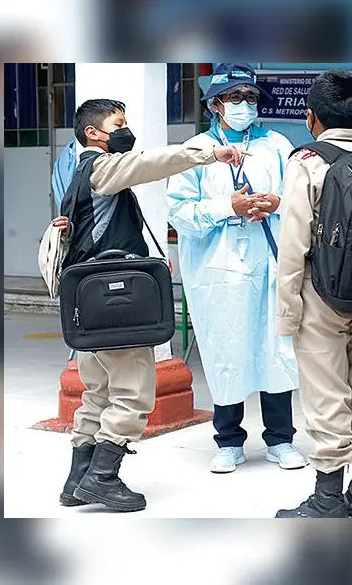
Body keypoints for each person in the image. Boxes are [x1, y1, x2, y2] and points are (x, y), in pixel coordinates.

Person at [54, 98, 245, 512]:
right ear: (93, 133)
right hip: (116, 304)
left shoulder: (73, 173)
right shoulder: (103, 168)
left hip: (89, 308)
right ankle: (103, 479)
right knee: (133, 394)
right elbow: (155, 162)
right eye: (117, 124)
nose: (125, 130)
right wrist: (210, 152)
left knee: (98, 392)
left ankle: (77, 480)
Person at [167, 63, 306, 474]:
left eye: (250, 97)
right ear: (215, 104)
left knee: (275, 349)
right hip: (219, 269)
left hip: (269, 262)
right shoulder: (197, 150)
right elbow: (179, 211)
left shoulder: (277, 145)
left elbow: (300, 197)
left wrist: (276, 203)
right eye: (235, 97)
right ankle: (228, 441)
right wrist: (228, 207)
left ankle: (281, 438)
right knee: (226, 347)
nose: (244, 105)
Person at [274, 70, 352, 518]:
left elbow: (293, 245)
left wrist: (288, 313)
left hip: (322, 296)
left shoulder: (307, 162)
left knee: (326, 395)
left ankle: (327, 498)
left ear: (310, 118)